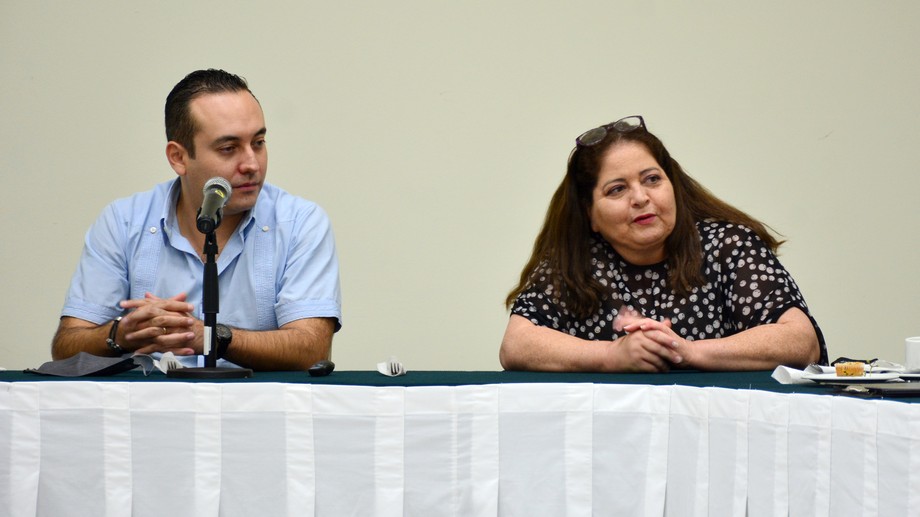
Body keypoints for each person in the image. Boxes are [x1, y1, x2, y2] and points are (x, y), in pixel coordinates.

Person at [51, 69, 342, 371]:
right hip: (148, 408)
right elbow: (66, 347)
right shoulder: (123, 222)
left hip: (255, 410)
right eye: (228, 149)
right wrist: (120, 335)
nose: (252, 164)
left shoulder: (300, 223)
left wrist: (210, 336)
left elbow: (312, 349)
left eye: (258, 142)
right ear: (178, 157)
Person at [501, 115, 826, 373]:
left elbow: (799, 341)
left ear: (674, 186)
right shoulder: (577, 261)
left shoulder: (727, 245)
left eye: (652, 179)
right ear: (591, 216)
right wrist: (611, 355)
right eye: (617, 190)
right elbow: (516, 344)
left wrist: (687, 351)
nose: (641, 198)